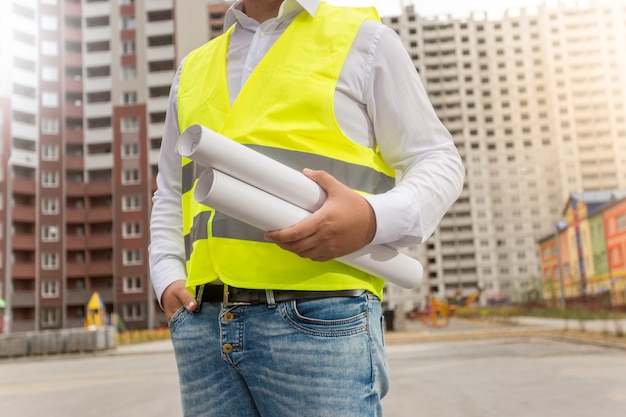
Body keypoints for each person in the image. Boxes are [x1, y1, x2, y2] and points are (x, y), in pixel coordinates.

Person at [149, 1, 465, 416]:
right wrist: (166, 274)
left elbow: (438, 160)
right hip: (205, 322)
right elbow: (171, 190)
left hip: (320, 314)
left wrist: (372, 219)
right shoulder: (192, 70)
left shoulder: (364, 41)